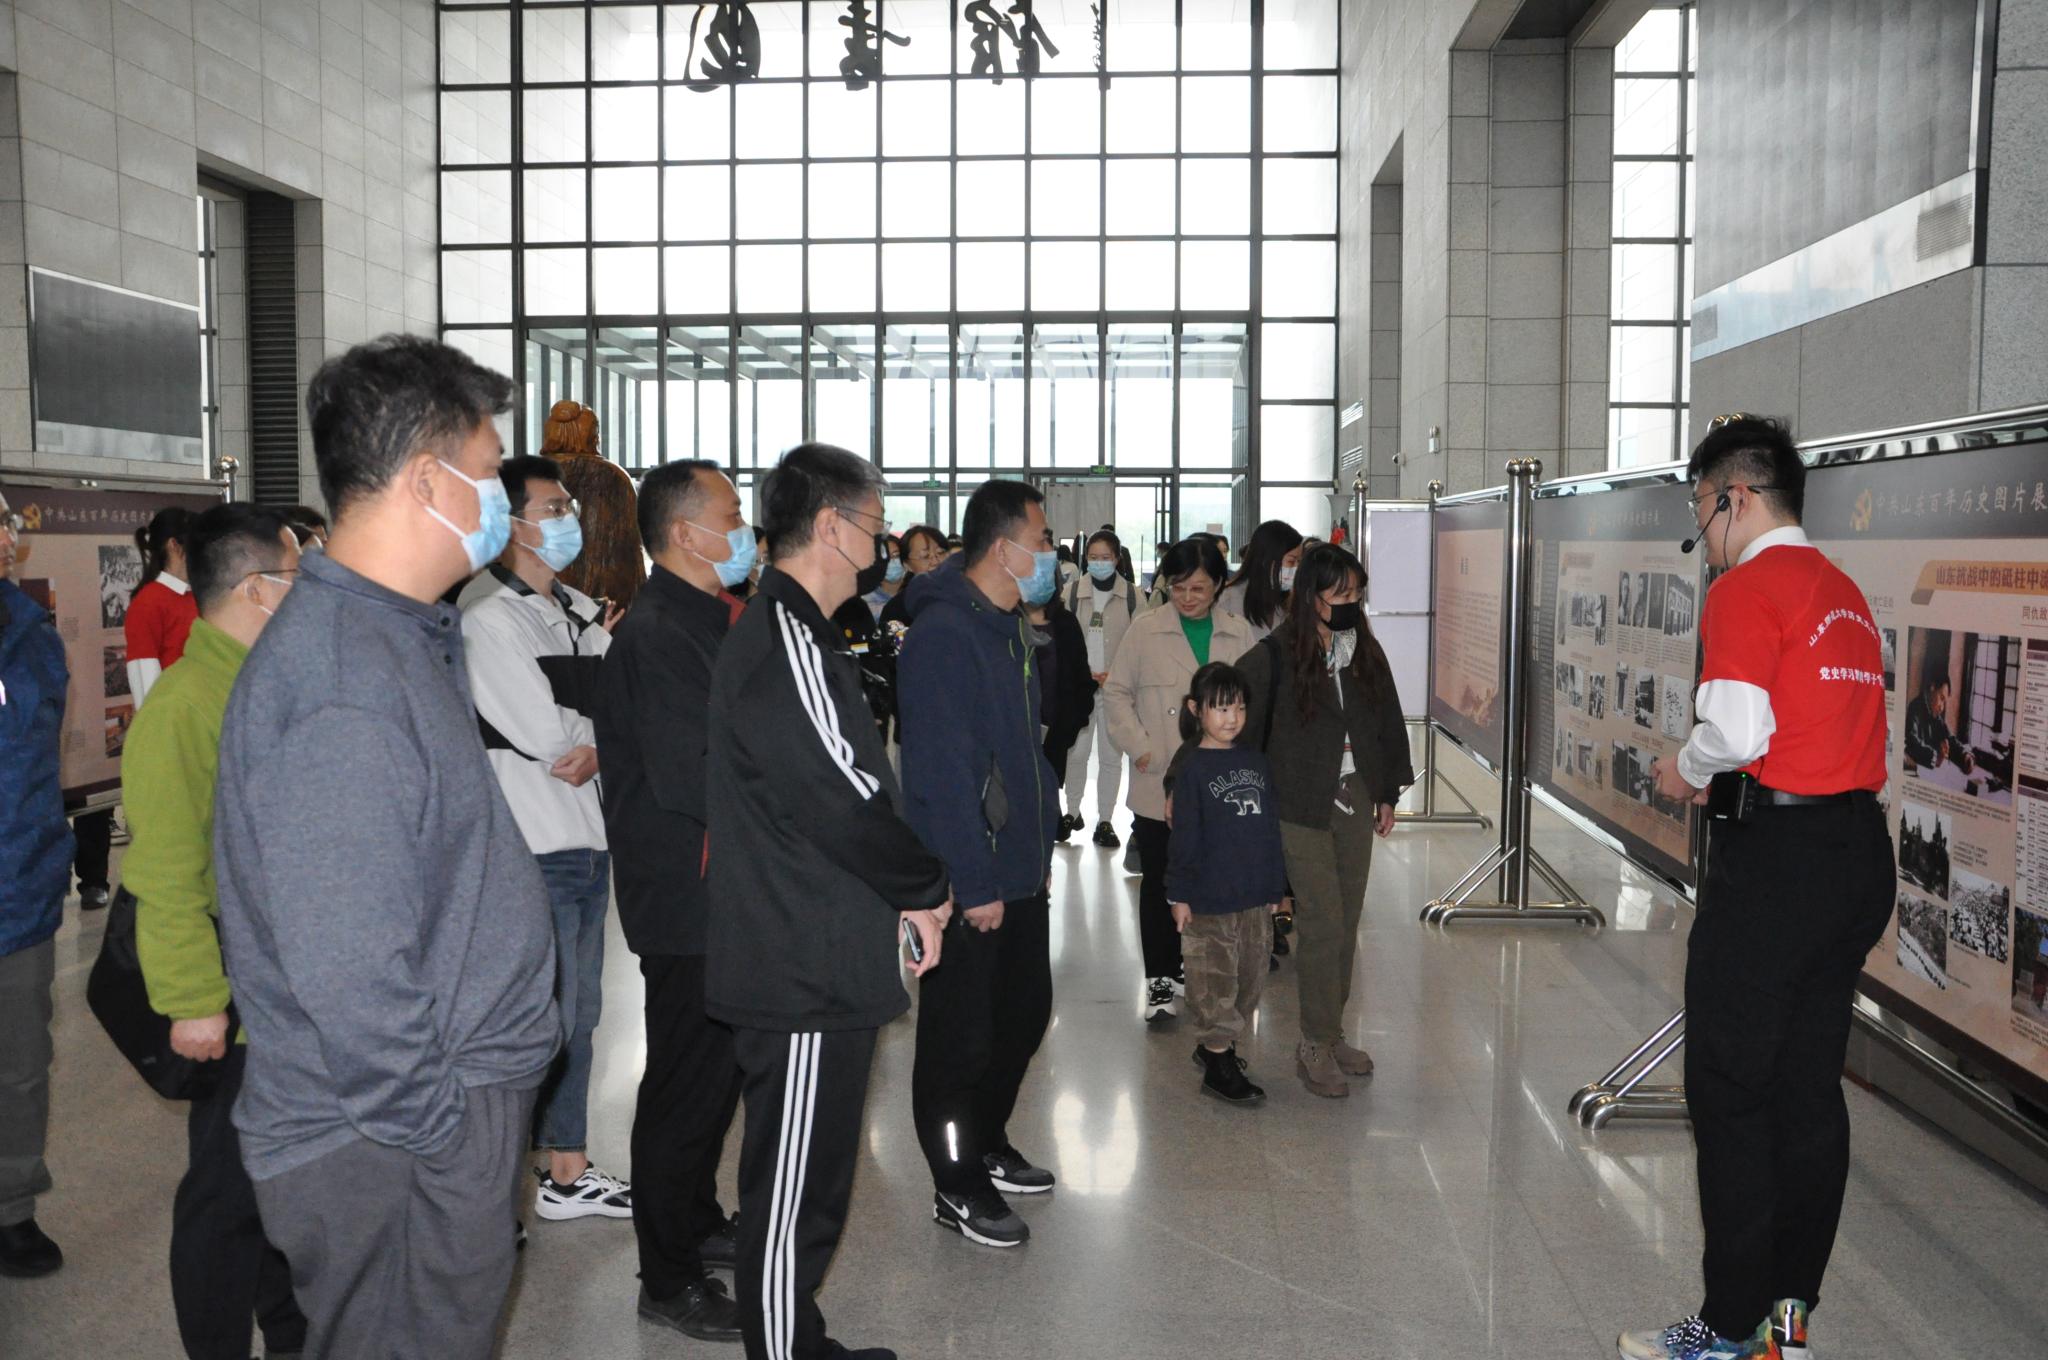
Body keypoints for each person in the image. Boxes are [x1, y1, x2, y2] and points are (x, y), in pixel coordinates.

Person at [214, 336, 560, 1359]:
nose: (500, 500)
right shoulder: (341, 682)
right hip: (388, 1138)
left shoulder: (394, 636)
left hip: (418, 1119)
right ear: (426, 480)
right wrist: (446, 1136)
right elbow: (349, 967)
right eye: (489, 473)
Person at [1628, 417, 1892, 1360]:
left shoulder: (1747, 588)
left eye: (1701, 510)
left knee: (1731, 1088)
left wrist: (1687, 767)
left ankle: (1727, 1324)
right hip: (1854, 855)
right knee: (1807, 1089)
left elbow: (1738, 732)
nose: (1703, 532)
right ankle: (1789, 1320)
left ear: (1734, 498)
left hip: (1778, 862)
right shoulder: (1843, 592)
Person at [705, 443, 952, 1360]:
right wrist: (925, 885)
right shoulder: (784, 637)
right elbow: (843, 796)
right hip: (798, 960)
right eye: (874, 525)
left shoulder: (804, 632)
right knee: (791, 1193)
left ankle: (797, 1339)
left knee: (814, 1179)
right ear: (829, 527)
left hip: (819, 944)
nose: (882, 542)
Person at [122, 504, 307, 1359]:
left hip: (287, 988)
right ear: (257, 588)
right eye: (298, 576)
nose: (309, 592)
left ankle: (291, 1334)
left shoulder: (269, 684)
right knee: (226, 1199)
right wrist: (195, 1000)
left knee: (278, 1185)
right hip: (233, 998)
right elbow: (166, 870)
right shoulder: (187, 704)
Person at [594, 458, 754, 1341]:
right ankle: (667, 1277)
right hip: (686, 894)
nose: (743, 529)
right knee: (684, 1090)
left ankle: (694, 1218)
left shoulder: (709, 620)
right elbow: (695, 775)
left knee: (712, 1077)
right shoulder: (659, 634)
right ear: (686, 534)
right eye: (731, 516)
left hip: (719, 890)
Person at [457, 455, 630, 1225]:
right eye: (553, 508)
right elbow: (549, 739)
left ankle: (563, 1164)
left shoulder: (576, 610)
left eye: (569, 507)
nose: (569, 520)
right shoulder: (489, 618)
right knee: (542, 1017)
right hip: (535, 841)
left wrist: (598, 725)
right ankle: (527, 1173)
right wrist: (601, 725)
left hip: (589, 835)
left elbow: (620, 701)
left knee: (581, 1013)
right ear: (510, 523)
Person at [898, 480, 1061, 1250]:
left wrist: (1037, 848)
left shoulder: (1007, 625)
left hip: (1019, 864)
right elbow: (939, 772)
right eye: (1043, 538)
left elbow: (1022, 752)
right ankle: (955, 1181)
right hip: (973, 876)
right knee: (959, 1039)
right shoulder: (943, 634)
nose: (1052, 552)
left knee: (1023, 1013)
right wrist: (972, 880)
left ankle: (987, 1140)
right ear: (1004, 548)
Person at [1239, 544, 1412, 1099]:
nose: (1351, 602)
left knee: (1348, 918)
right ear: (1311, 595)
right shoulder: (1274, 655)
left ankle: (1330, 1031)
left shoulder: (1363, 649)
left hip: (1354, 794)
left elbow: (1386, 717)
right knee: (1322, 921)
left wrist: (1386, 791)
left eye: (1357, 593)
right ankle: (1314, 1042)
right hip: (1298, 801)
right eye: (1341, 593)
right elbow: (1231, 722)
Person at [1101, 536, 1254, 1022]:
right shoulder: (1145, 630)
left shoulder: (1239, 635)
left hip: (1220, 784)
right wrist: (1140, 746)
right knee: (1160, 881)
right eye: (1179, 587)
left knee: (1210, 880)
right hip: (1158, 778)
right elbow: (1117, 694)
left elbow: (1255, 705)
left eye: (1199, 588)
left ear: (1219, 586)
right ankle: (1160, 978)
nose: (1187, 598)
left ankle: (1197, 968)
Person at [0, 490, 72, 1279]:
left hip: (16, 891)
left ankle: (12, 1208)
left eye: (3, 522)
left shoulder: (32, 636)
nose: (2, 537)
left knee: (19, 1066)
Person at [1164, 662, 1287, 1106]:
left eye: (1239, 707)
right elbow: (1184, 838)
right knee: (1213, 980)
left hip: (1253, 897)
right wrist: (1178, 894)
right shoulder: (1192, 768)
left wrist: (1277, 888)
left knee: (1250, 977)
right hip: (1208, 900)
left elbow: (1270, 829)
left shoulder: (1256, 761)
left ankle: (1217, 1046)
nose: (1232, 718)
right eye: (1220, 708)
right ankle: (1218, 1059)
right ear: (1196, 710)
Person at [1057, 529, 1144, 849]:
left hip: (1116, 690)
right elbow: (1061, 639)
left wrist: (1118, 675)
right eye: (1093, 558)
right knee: (1076, 753)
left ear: (1117, 559)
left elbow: (1140, 645)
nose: (1099, 563)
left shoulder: (1133, 596)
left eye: (1105, 558)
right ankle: (1072, 811)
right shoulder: (1071, 592)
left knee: (1110, 756)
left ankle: (1105, 820)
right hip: (1079, 688)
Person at [540, 399, 647, 613]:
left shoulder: (530, 475)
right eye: (595, 430)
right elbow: (630, 550)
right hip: (610, 601)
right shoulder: (615, 476)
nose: (597, 437)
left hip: (543, 598)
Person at [1216, 518, 1304, 643]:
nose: (1296, 568)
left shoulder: (1286, 604)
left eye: (1299, 562)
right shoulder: (1227, 601)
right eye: (1291, 561)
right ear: (1266, 560)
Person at [880, 523, 946, 633]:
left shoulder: (966, 594)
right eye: (925, 556)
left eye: (941, 552)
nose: (935, 561)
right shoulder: (897, 609)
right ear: (907, 565)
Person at [1903, 669, 1970, 772]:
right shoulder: (1915, 708)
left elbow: (1949, 738)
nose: (1942, 707)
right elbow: (1912, 743)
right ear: (1932, 687)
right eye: (1941, 698)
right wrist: (1936, 757)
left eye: (1944, 702)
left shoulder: (1935, 716)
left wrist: (1964, 755)